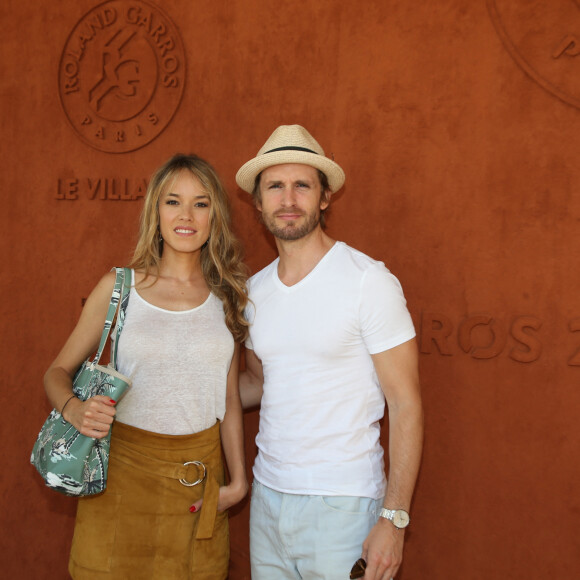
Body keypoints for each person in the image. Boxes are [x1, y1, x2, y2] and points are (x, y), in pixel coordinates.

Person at [43, 154, 249, 579]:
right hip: (119, 480)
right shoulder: (119, 287)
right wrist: (75, 410)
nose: (186, 215)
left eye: (201, 203)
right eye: (173, 202)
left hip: (197, 484)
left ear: (216, 216)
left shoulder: (228, 297)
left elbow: (227, 398)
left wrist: (239, 480)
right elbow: (56, 372)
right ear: (156, 212)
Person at [236, 125, 423, 580]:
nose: (288, 199)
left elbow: (405, 404)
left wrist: (394, 518)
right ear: (258, 202)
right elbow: (260, 384)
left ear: (324, 198)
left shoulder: (367, 281)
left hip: (345, 506)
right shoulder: (253, 293)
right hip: (267, 501)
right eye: (275, 186)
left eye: (302, 185)